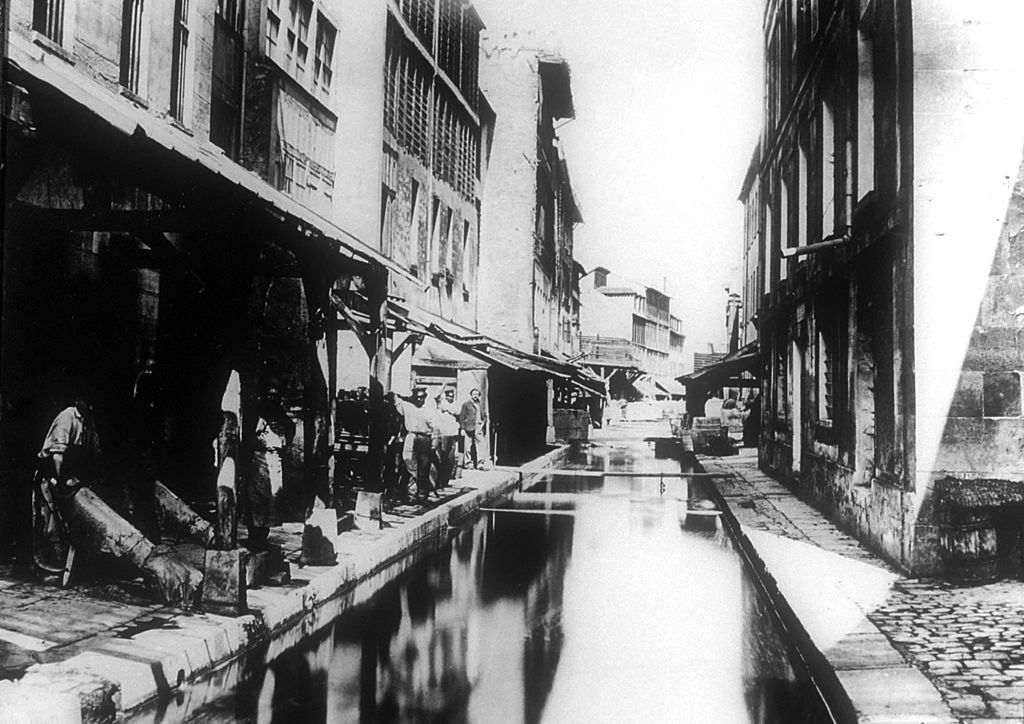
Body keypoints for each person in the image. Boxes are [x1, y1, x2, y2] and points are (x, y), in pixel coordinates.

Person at [34, 396, 101, 573]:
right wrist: (60, 479)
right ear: (80, 401)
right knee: (52, 523)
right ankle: (49, 564)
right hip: (53, 473)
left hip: (73, 475)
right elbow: (57, 454)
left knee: (74, 524)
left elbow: (93, 449)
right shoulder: (67, 417)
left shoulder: (88, 421)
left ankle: (74, 563)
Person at [248, 388, 293, 551]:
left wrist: (284, 441)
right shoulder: (258, 414)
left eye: (276, 395)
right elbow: (250, 435)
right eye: (270, 395)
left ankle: (263, 534)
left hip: (276, 458)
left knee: (273, 496)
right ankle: (255, 534)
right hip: (260, 457)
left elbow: (290, 428)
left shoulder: (281, 416)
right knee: (258, 497)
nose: (272, 398)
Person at [402, 387, 435, 502]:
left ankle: (422, 496)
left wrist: (434, 443)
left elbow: (434, 427)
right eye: (418, 397)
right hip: (411, 436)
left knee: (424, 469)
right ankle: (411, 495)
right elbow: (394, 399)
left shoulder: (428, 410)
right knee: (410, 465)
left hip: (424, 438)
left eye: (422, 397)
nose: (420, 400)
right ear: (414, 397)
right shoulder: (407, 407)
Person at [434, 387, 461, 489]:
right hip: (444, 434)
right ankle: (439, 481)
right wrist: (442, 387)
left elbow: (457, 412)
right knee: (442, 458)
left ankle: (446, 480)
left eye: (452, 396)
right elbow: (436, 397)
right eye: (449, 396)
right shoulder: (442, 403)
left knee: (450, 459)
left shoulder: (455, 404)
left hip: (452, 434)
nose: (451, 398)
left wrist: (448, 409)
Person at [458, 388, 487, 470]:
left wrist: (483, 423)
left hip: (478, 427)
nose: (475, 396)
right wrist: (462, 428)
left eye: (477, 394)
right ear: (471, 395)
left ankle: (480, 464)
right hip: (468, 427)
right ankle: (468, 464)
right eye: (473, 394)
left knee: (481, 445)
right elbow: (461, 417)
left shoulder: (480, 405)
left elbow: (485, 416)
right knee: (467, 446)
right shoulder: (466, 404)